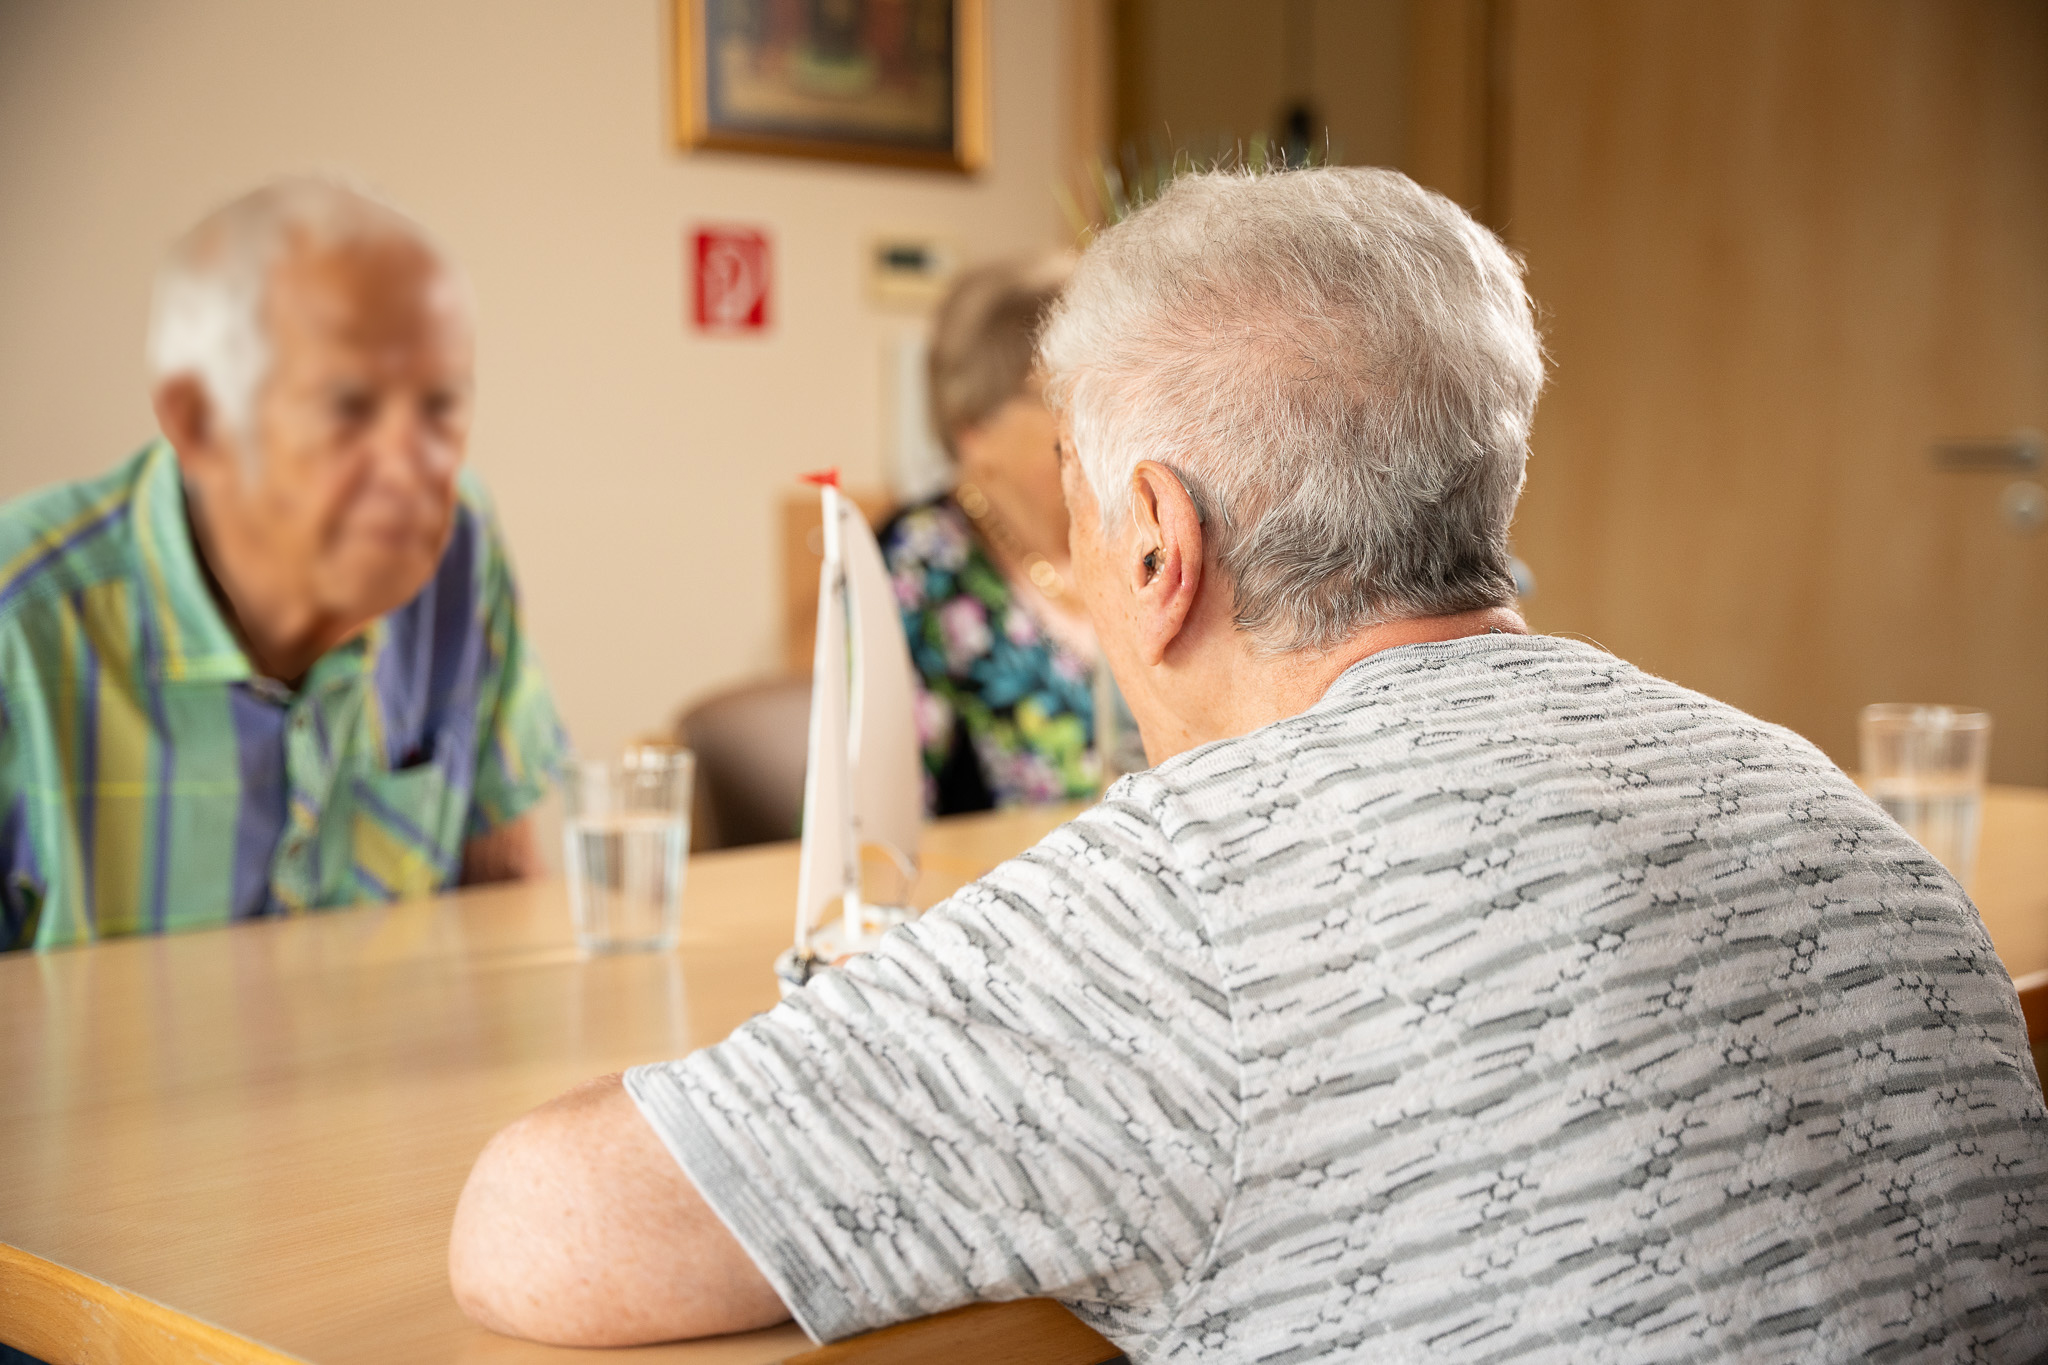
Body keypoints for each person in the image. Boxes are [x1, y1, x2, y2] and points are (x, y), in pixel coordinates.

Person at [448, 168, 2048, 1362]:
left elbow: (535, 1234)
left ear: (1155, 540)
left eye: (1077, 510)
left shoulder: (1186, 901)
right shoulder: (1822, 802)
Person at [0, 178, 565, 950]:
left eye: (442, 406)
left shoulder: (462, 546)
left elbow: (513, 903)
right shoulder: (21, 616)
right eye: (348, 407)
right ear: (197, 421)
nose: (412, 467)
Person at [880, 256, 1099, 815]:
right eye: (1063, 396)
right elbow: (880, 815)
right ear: (973, 425)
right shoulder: (922, 564)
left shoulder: (1132, 532)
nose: (1097, 419)